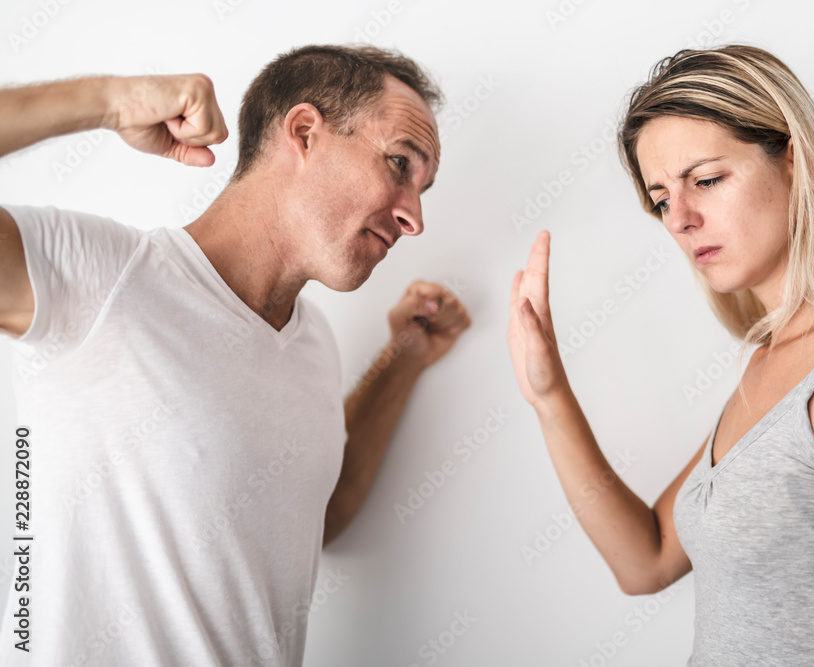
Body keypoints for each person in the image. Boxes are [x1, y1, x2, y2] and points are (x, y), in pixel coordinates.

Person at [507, 44, 814, 665]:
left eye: (706, 180)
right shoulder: (764, 364)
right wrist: (549, 396)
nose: (679, 218)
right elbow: (645, 560)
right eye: (661, 198)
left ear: (794, 159)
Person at [0, 44, 470, 666]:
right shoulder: (105, 279)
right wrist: (114, 101)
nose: (414, 217)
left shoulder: (314, 343)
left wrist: (401, 360)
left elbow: (315, 514)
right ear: (304, 132)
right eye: (400, 164)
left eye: (422, 188)